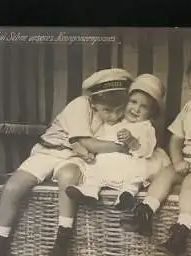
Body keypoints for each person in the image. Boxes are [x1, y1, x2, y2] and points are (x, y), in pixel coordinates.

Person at [0, 68, 134, 256]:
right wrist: (120, 147)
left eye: (120, 110)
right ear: (92, 101)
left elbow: (91, 149)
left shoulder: (119, 119)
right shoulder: (79, 105)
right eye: (107, 110)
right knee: (13, 188)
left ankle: (63, 238)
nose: (114, 116)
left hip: (76, 158)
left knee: (68, 178)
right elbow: (86, 142)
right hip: (49, 151)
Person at [120, 50, 191, 256]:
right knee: (166, 172)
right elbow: (176, 138)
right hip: (189, 163)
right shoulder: (189, 109)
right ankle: (145, 212)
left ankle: (181, 230)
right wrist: (178, 160)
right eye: (190, 88)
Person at [65, 74, 166, 213]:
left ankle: (126, 195)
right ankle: (89, 192)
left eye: (144, 107)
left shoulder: (145, 127)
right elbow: (101, 138)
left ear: (151, 112)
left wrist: (132, 141)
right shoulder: (116, 120)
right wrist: (89, 153)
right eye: (133, 102)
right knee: (94, 170)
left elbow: (145, 150)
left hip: (132, 161)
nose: (136, 109)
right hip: (109, 161)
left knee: (135, 176)